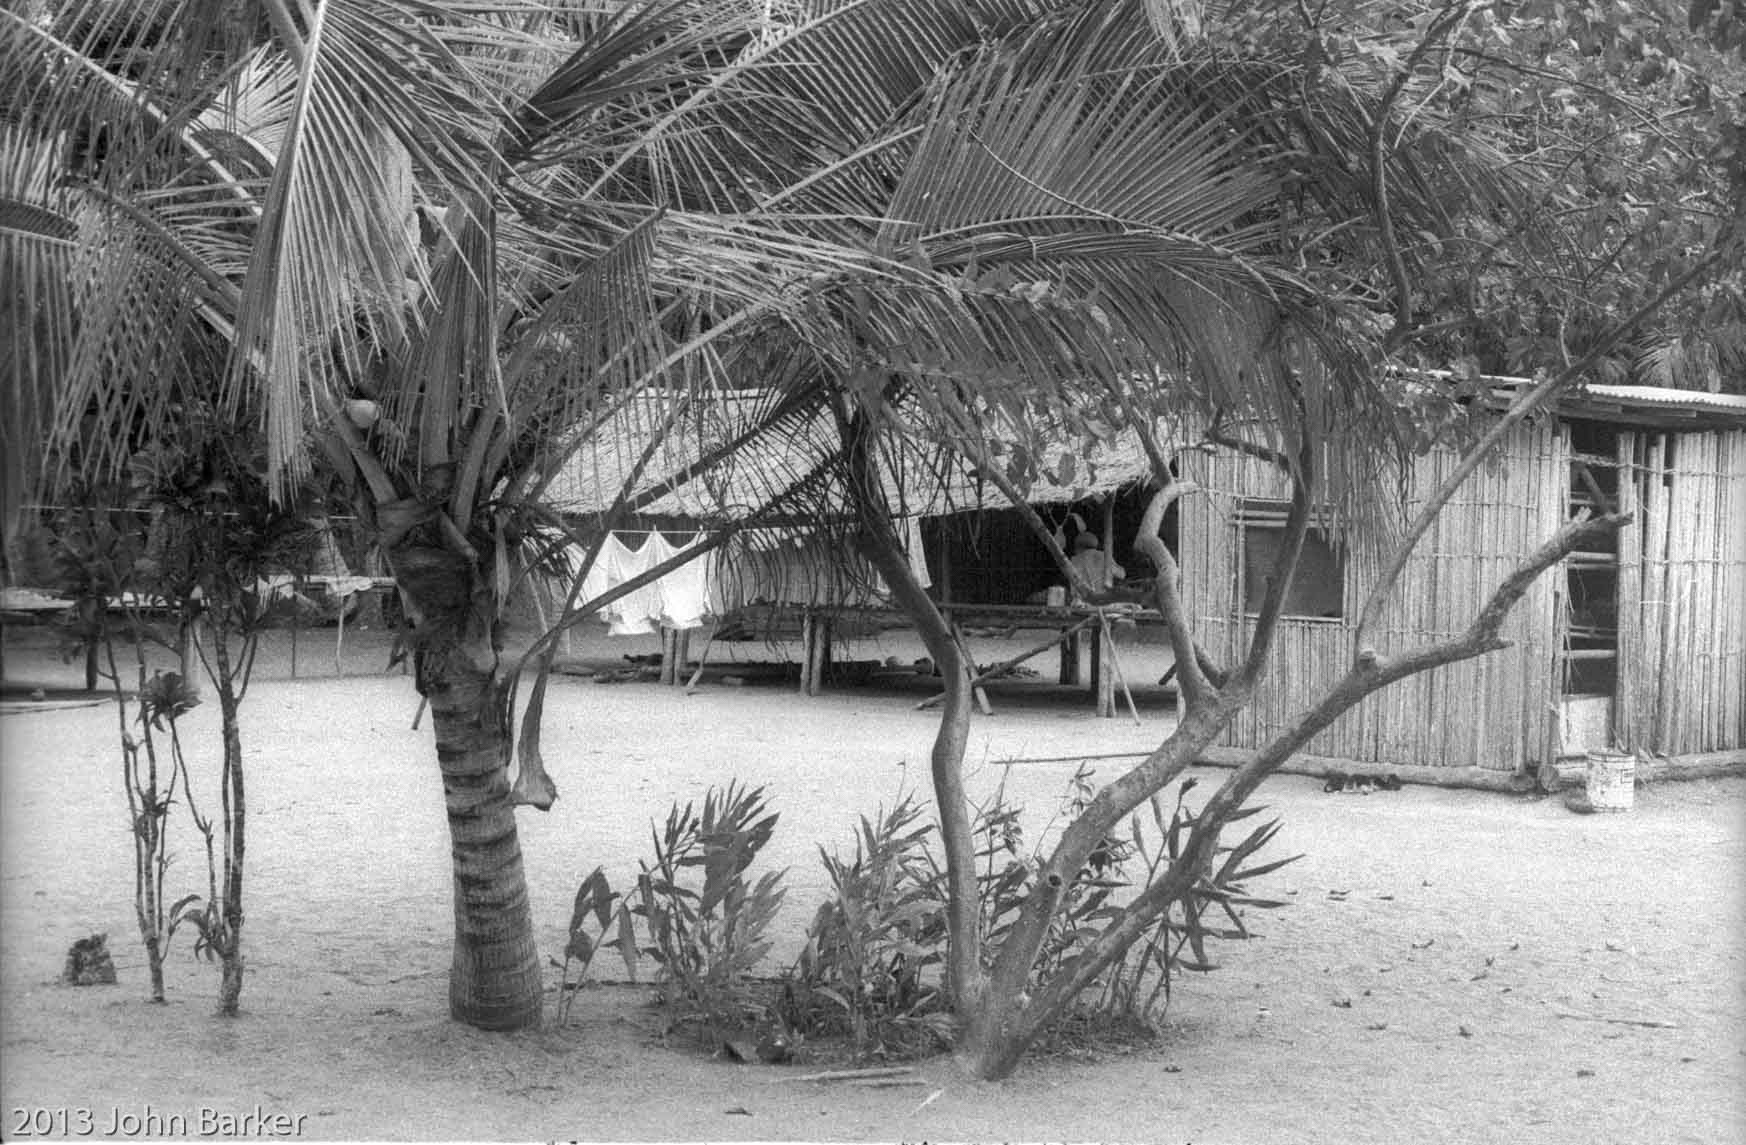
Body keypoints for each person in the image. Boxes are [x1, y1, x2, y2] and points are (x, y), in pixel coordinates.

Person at [1067, 532, 1124, 599]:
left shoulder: (1074, 560)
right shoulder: (1104, 556)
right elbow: (1121, 575)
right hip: (1104, 599)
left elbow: (1073, 588)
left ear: (1078, 547)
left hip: (1083, 601)